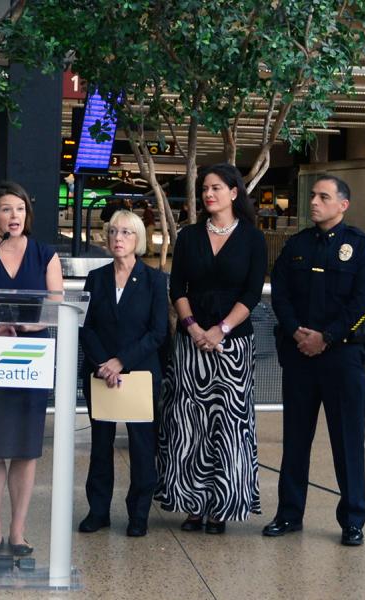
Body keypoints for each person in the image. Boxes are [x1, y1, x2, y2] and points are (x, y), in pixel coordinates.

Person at [263, 175, 365, 547]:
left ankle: (352, 520)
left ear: (342, 204)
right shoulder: (296, 245)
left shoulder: (361, 247)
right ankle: (288, 514)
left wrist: (326, 337)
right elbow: (279, 293)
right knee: (295, 439)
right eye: (313, 195)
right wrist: (298, 331)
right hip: (300, 356)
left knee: (348, 441)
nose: (314, 202)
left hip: (343, 357)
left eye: (323, 196)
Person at [155, 163, 266, 535]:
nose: (208, 194)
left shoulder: (252, 238)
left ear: (234, 192)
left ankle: (221, 506)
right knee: (189, 425)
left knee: (230, 425)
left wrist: (220, 330)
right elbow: (177, 289)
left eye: (216, 187)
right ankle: (192, 504)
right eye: (204, 188)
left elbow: (252, 294)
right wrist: (193, 328)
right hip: (191, 344)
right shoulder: (188, 236)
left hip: (233, 344)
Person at [0, 181, 63, 556]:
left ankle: (18, 531)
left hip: (30, 359)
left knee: (24, 448)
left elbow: (55, 306)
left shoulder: (45, 255)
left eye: (19, 209)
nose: (14, 216)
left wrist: (28, 326)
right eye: (5, 209)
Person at [78, 210, 167, 538]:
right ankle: (98, 510)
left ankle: (138, 513)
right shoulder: (96, 278)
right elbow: (86, 327)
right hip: (100, 375)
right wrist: (104, 363)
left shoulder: (155, 280)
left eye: (126, 233)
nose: (118, 238)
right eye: (113, 232)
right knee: (100, 444)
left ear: (138, 239)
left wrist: (120, 362)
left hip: (140, 375)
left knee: (143, 447)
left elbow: (158, 333)